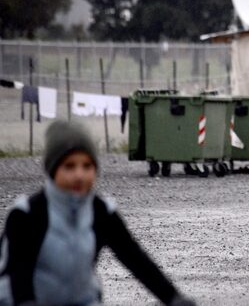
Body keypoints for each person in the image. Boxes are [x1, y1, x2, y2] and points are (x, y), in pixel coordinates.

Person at [0, 120, 195, 306]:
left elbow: (135, 259)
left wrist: (173, 297)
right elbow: (18, 274)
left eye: (87, 166)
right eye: (69, 166)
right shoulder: (27, 214)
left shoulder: (101, 212)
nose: (79, 175)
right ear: (52, 170)